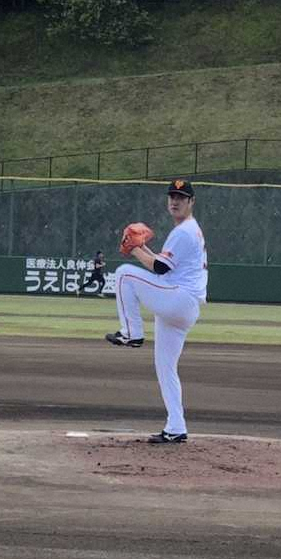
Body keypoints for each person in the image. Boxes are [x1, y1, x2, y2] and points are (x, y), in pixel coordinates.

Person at [106, 179, 207, 444]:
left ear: (191, 202)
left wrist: (135, 248)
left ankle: (131, 333)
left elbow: (160, 269)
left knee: (124, 274)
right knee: (165, 367)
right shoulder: (189, 231)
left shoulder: (184, 231)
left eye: (181, 197)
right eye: (172, 196)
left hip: (178, 298)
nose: (175, 201)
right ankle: (176, 426)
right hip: (182, 305)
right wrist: (142, 249)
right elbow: (164, 264)